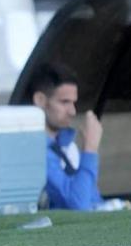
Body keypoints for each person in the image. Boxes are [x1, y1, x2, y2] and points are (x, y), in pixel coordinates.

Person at [30, 63, 103, 211]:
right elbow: (78, 204)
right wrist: (90, 149)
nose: (72, 111)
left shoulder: (68, 146)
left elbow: (93, 200)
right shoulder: (33, 150)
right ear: (40, 100)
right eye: (64, 102)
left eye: (74, 103)